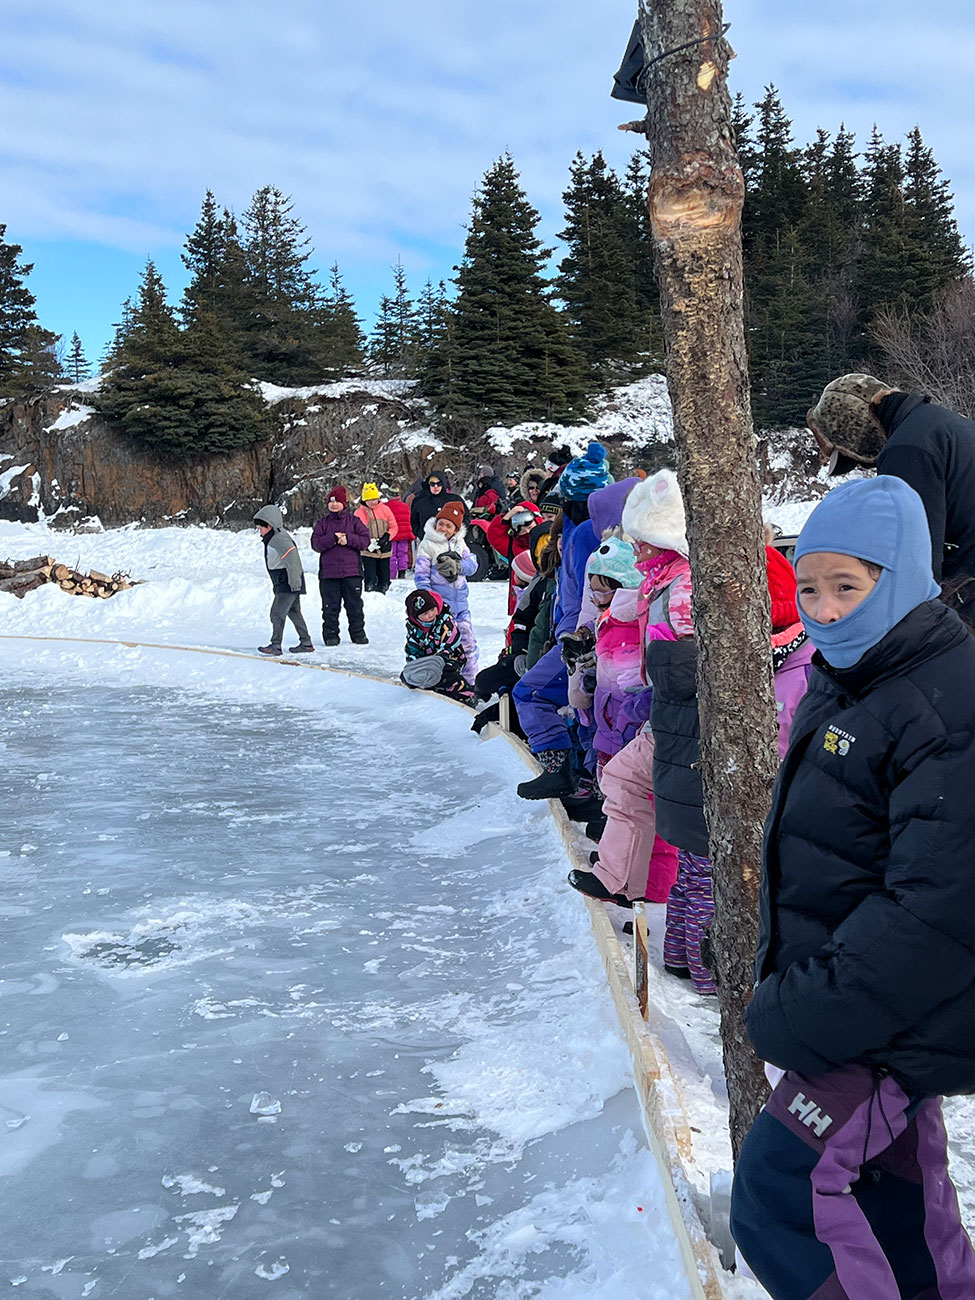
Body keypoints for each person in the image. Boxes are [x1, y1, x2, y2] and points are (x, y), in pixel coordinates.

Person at [730, 475, 975, 1300]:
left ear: (901, 579)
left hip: (881, 1022)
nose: (824, 610)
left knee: (778, 1196)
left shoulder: (942, 701)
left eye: (848, 586)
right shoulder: (850, 673)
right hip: (865, 1007)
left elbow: (938, 910)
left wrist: (802, 1009)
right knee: (901, 1211)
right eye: (808, 587)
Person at [806, 373, 975, 619]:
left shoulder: (906, 449)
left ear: (858, 429)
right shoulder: (942, 425)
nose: (867, 466)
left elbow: (916, 558)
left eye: (859, 460)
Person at [413, 500, 479, 682]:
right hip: (441, 608)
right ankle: (440, 680)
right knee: (443, 645)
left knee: (467, 643)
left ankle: (470, 681)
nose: (443, 528)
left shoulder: (460, 543)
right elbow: (421, 576)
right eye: (441, 523)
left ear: (456, 529)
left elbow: (473, 566)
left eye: (448, 525)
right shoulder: (428, 544)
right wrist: (430, 602)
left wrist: (458, 566)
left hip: (461, 606)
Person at [310, 486, 370, 647]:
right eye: (331, 502)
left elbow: (365, 541)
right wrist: (333, 538)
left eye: (337, 501)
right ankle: (330, 636)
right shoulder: (322, 523)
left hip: (352, 573)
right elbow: (316, 544)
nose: (334, 504)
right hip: (329, 574)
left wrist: (348, 539)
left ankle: (358, 634)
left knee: (355, 606)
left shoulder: (354, 521)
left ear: (344, 503)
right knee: (330, 607)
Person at [253, 504, 313, 656]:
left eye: (261, 528)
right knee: (294, 612)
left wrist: (294, 583)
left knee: (277, 613)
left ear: (270, 525)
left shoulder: (280, 539)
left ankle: (275, 645)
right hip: (284, 582)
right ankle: (306, 643)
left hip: (288, 582)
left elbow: (293, 561)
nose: (260, 532)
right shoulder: (273, 538)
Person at [401, 589, 474, 704]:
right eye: (425, 613)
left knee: (446, 675)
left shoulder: (444, 621)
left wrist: (441, 658)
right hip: (427, 660)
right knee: (410, 678)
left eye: (432, 609)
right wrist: (413, 666)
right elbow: (412, 648)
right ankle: (428, 695)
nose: (430, 615)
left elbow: (451, 640)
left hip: (451, 656)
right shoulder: (414, 629)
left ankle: (466, 695)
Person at [355, 483, 398, 594]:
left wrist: (388, 536)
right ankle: (370, 592)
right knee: (370, 576)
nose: (373, 502)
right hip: (368, 551)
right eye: (370, 500)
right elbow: (356, 531)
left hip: (384, 550)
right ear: (365, 500)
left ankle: (383, 591)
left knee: (384, 576)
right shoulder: (359, 513)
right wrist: (366, 542)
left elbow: (394, 526)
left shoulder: (385, 510)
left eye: (375, 499)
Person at [410, 472, 468, 541]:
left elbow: (466, 517)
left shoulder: (454, 499)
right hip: (427, 542)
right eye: (432, 484)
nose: (435, 486)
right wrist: (420, 533)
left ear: (443, 484)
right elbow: (413, 521)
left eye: (439, 484)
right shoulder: (420, 502)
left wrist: (455, 533)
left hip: (450, 543)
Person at [386, 488, 415, 579]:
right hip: (404, 534)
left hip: (393, 534)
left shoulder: (386, 507)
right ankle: (402, 572)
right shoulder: (405, 506)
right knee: (403, 553)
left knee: (392, 554)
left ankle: (392, 574)